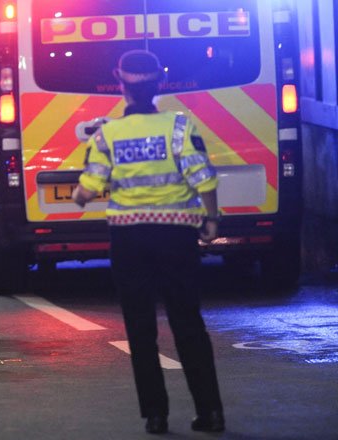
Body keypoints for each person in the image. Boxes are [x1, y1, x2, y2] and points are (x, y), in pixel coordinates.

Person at [72, 50, 224, 434]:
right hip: (177, 237)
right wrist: (211, 219)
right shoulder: (179, 127)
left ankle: (155, 416)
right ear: (160, 84)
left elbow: (87, 190)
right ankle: (211, 413)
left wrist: (81, 191)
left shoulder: (109, 133)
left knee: (140, 328)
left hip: (129, 240)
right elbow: (203, 178)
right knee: (188, 321)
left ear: (120, 84)